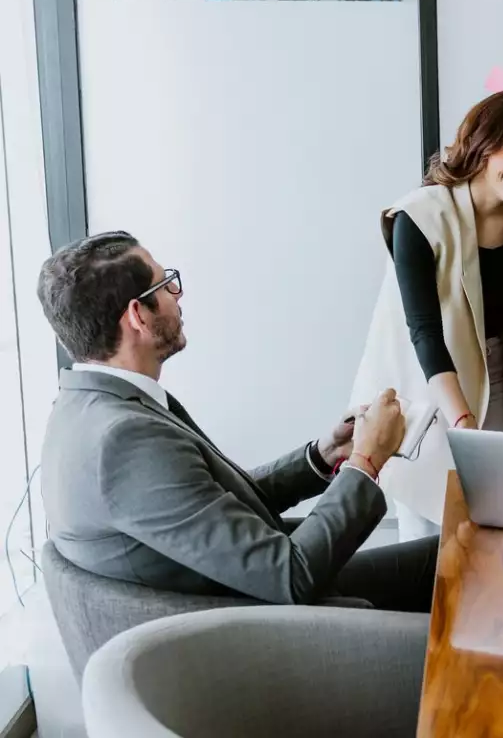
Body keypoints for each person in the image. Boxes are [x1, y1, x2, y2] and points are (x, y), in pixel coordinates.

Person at [38, 232, 437, 611]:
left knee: (453, 552)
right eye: (167, 285)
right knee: (463, 561)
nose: (178, 297)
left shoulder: (90, 407)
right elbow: (292, 577)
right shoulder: (125, 441)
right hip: (268, 630)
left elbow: (215, 501)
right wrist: (366, 460)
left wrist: (325, 453)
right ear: (138, 315)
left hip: (250, 597)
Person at [352, 91, 503, 524]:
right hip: (424, 379)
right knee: (426, 523)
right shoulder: (419, 215)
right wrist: (462, 421)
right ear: (481, 146)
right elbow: (424, 332)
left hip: (496, 371)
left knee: (487, 515)